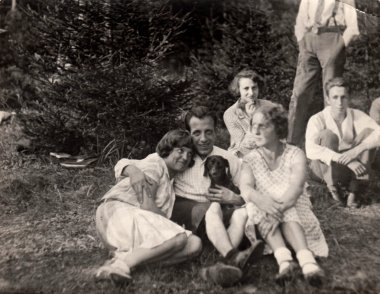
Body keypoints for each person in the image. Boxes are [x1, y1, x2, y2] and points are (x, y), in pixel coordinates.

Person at [121, 106, 264, 287]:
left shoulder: (228, 158)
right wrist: (133, 171)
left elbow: (248, 190)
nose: (203, 139)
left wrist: (236, 198)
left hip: (216, 213)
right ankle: (232, 255)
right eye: (196, 133)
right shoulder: (180, 154)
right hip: (185, 211)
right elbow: (127, 162)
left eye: (208, 132)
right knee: (210, 208)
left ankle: (223, 264)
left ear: (216, 132)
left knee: (241, 213)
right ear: (189, 133)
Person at [95, 129, 202, 284]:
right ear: (168, 149)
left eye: (190, 154)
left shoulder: (170, 179)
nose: (185, 157)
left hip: (132, 223)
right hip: (117, 212)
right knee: (178, 237)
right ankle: (121, 265)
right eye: (180, 151)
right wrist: (174, 228)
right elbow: (147, 206)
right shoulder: (156, 163)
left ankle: (123, 261)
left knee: (194, 244)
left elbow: (124, 163)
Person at [240, 103, 328, 285]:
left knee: (284, 202)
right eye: (253, 126)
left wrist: (275, 212)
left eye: (262, 126)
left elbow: (295, 189)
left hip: (295, 207)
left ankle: (301, 262)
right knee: (257, 203)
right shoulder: (250, 159)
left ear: (278, 128)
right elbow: (246, 188)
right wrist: (262, 201)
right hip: (264, 211)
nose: (255, 131)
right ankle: (290, 262)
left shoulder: (295, 154)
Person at [288, 0, 360, 146]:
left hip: (332, 40)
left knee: (332, 95)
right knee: (299, 93)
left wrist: (338, 47)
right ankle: (291, 143)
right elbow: (300, 21)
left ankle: (329, 144)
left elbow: (353, 28)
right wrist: (302, 42)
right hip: (308, 42)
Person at [305, 77, 380, 208]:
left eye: (343, 97)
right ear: (328, 99)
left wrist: (357, 150)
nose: (339, 102)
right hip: (321, 170)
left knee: (369, 134)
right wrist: (348, 160)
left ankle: (354, 191)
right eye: (335, 97)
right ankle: (333, 191)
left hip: (346, 171)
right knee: (328, 135)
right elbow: (310, 149)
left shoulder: (356, 114)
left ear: (348, 98)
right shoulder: (317, 119)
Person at [223, 69, 272, 158]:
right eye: (246, 88)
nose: (251, 93)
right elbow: (245, 147)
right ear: (238, 90)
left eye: (254, 88)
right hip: (242, 157)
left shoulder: (269, 106)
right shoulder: (230, 114)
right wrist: (252, 118)